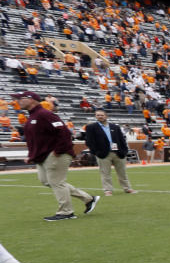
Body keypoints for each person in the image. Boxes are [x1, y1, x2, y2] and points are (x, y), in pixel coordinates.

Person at [15, 90, 98, 221]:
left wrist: (58, 151)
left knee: (56, 182)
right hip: (42, 156)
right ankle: (88, 198)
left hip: (55, 154)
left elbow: (64, 133)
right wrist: (31, 155)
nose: (17, 101)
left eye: (20, 98)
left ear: (31, 99)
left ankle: (66, 212)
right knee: (47, 181)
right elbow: (36, 141)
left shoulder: (44, 114)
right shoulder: (32, 117)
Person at [84, 108, 137, 196]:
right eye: (98, 115)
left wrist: (124, 151)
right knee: (105, 173)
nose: (100, 117)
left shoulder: (115, 127)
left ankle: (127, 188)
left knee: (122, 172)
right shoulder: (91, 127)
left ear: (106, 116)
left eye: (102, 115)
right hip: (103, 154)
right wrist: (96, 152)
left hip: (118, 153)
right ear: (95, 116)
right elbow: (89, 141)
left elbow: (122, 140)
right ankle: (108, 190)